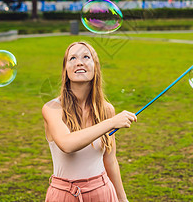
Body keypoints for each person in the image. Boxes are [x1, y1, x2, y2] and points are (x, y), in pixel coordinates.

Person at [42, 41, 137, 202]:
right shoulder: (52, 108)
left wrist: (123, 199)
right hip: (64, 195)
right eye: (72, 58)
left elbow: (110, 161)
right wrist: (111, 123)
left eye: (86, 56)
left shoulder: (106, 110)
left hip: (103, 192)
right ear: (65, 69)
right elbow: (67, 144)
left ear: (96, 67)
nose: (79, 61)